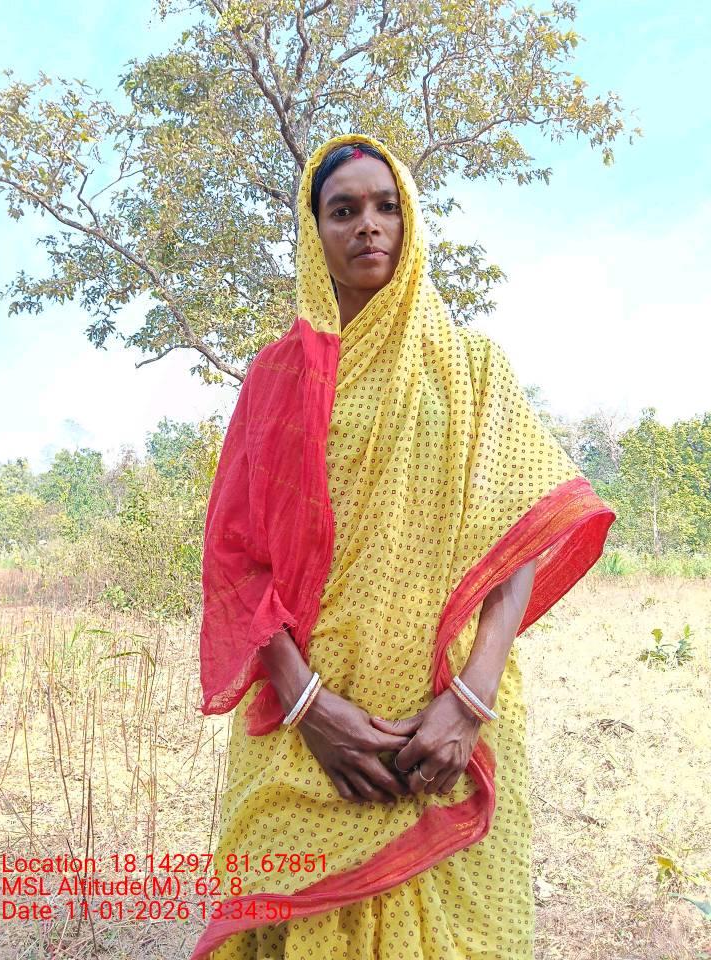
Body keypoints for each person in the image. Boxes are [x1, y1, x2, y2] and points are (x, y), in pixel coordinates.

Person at [191, 133, 615, 960]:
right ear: (314, 234)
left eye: (386, 206)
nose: (368, 225)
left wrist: (470, 701)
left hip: (445, 730)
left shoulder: (472, 368)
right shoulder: (274, 379)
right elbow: (237, 561)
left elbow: (519, 536)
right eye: (343, 210)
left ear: (410, 220)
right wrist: (310, 707)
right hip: (305, 732)